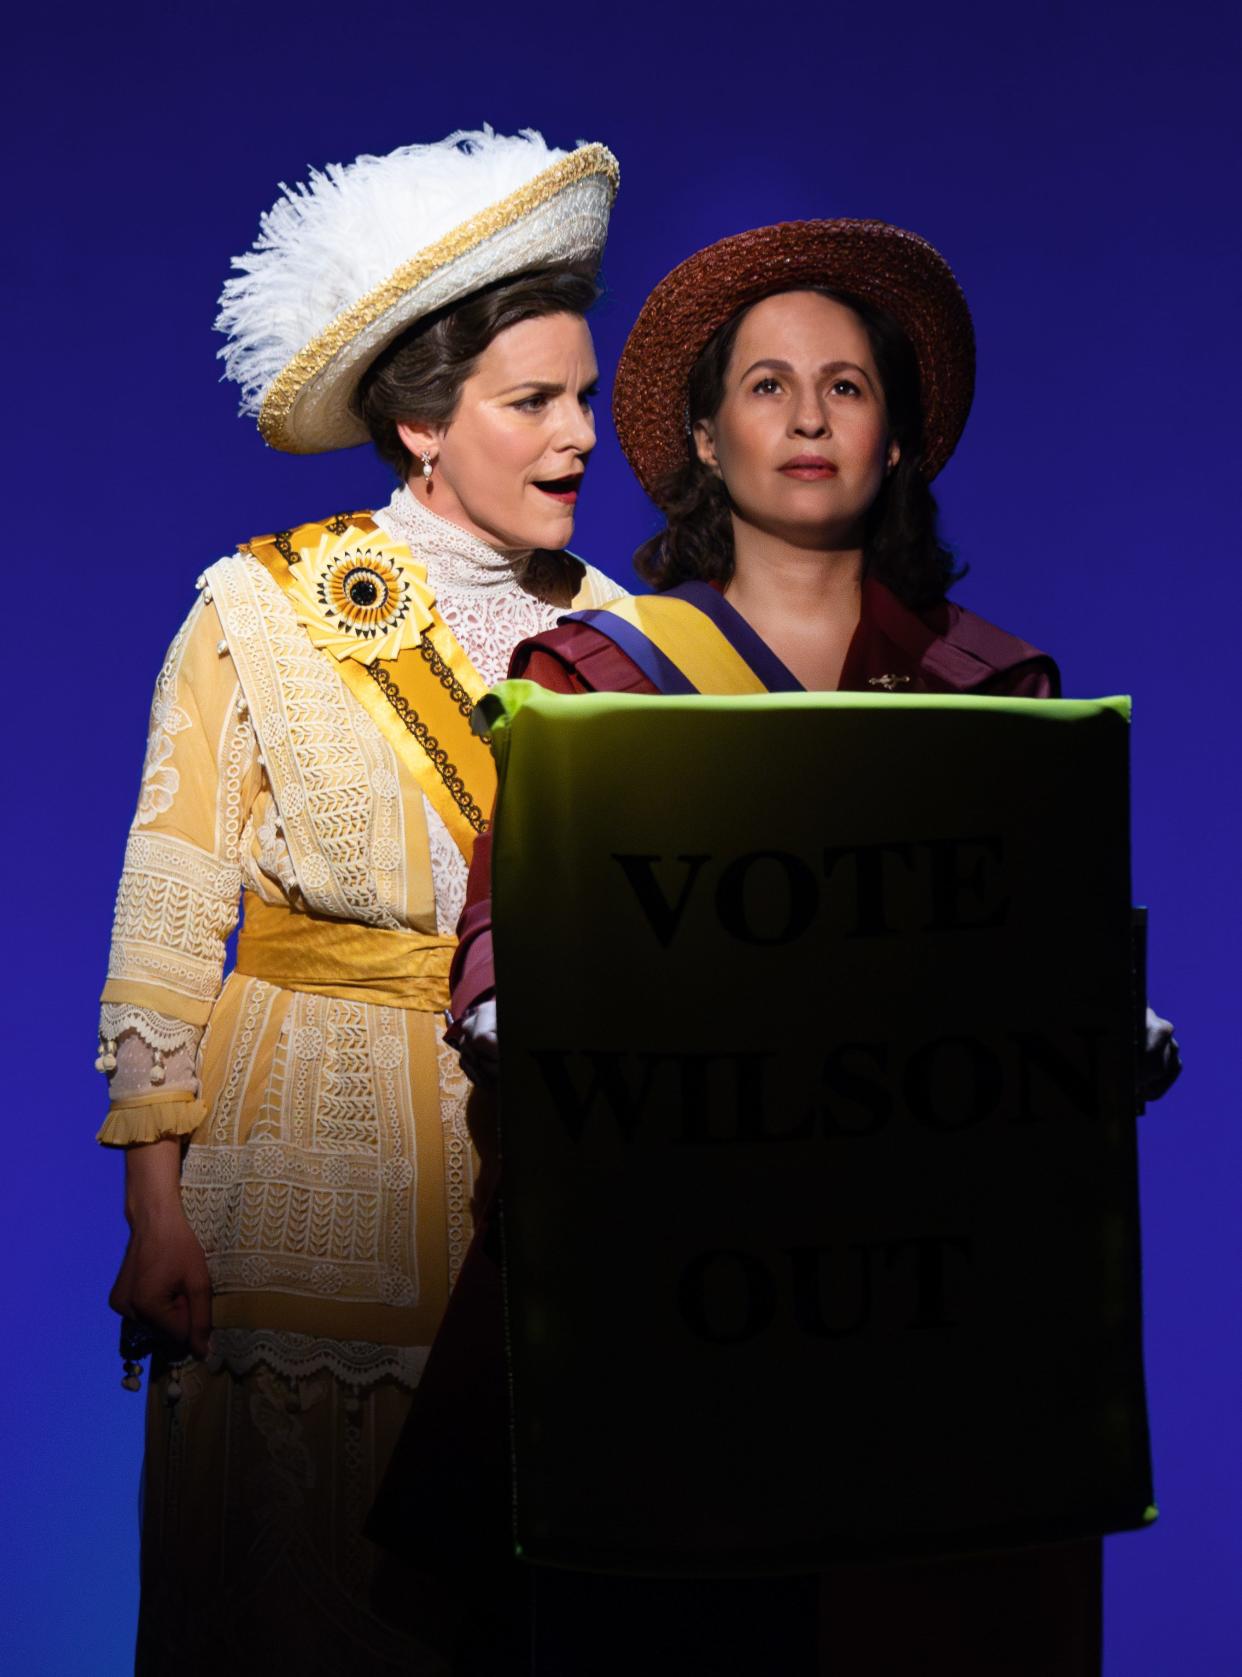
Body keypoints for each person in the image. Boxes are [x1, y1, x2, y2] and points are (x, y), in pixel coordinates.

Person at [398, 218, 1181, 1674]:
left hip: (923, 1313)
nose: (808, 415)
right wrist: (518, 1011)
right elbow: (506, 919)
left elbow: (1038, 935)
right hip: (673, 1289)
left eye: (845, 384)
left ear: (897, 440)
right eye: (765, 384)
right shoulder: (593, 680)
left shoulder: (997, 686)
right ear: (702, 437)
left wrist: (1102, 1015)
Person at [96, 126, 622, 1674]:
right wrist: (153, 1204)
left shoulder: (630, 634)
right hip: (297, 1172)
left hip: (534, 1190)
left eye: (582, 396)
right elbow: (170, 902)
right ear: (417, 422)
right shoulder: (258, 606)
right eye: (532, 403)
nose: (578, 434)